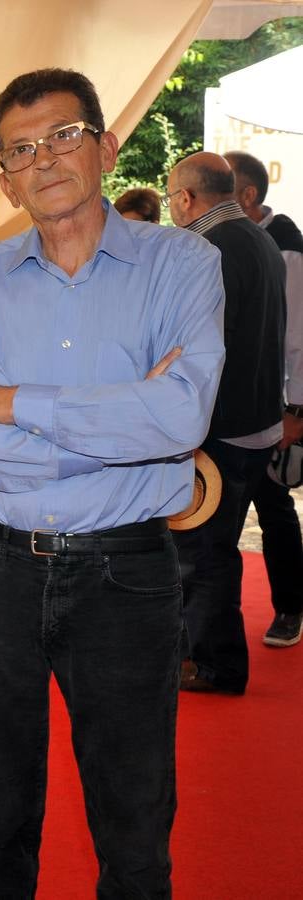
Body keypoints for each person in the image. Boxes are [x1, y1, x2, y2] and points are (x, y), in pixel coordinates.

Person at [0, 68, 225, 897]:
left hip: (127, 573)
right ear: (5, 172)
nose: (44, 160)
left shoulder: (182, 265)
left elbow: (182, 418)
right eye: (21, 149)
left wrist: (15, 406)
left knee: (133, 828)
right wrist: (122, 428)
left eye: (62, 136)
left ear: (105, 144)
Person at [166, 151, 287, 693]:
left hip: (221, 426)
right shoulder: (260, 237)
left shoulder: (206, 248)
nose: (171, 207)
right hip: (257, 417)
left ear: (187, 198)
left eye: (171, 197)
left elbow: (200, 349)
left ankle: (213, 664)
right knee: (215, 548)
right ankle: (210, 656)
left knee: (203, 553)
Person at [224, 149, 303, 647]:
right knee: (223, 522)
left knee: (272, 511)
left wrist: (295, 411)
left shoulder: (287, 249)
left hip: (271, 410)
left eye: (222, 188)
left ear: (248, 196)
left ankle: (290, 608)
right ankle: (214, 627)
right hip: (236, 406)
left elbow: (296, 338)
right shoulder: (235, 240)